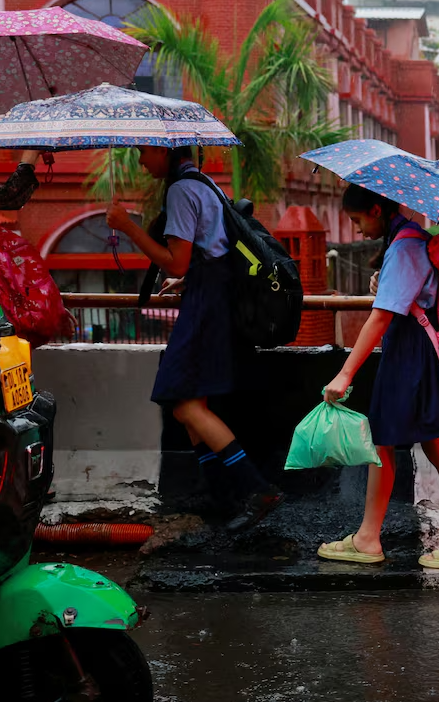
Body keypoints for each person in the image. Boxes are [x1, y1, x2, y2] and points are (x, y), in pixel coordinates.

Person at [106, 146, 282, 532]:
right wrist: (189, 280)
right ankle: (217, 491)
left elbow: (176, 259)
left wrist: (127, 225)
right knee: (191, 401)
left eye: (144, 152)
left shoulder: (181, 190)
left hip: (205, 306)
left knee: (184, 405)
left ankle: (257, 490)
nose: (140, 160)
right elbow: (211, 251)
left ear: (164, 152)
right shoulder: (203, 182)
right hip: (211, 295)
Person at [318, 184, 439, 569]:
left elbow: (380, 318)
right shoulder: (407, 241)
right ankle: (370, 537)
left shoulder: (405, 245)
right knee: (403, 448)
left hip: (413, 357)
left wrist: (345, 374)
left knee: (403, 448)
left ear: (377, 210)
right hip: (420, 354)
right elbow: (404, 300)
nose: (357, 230)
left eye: (358, 219)